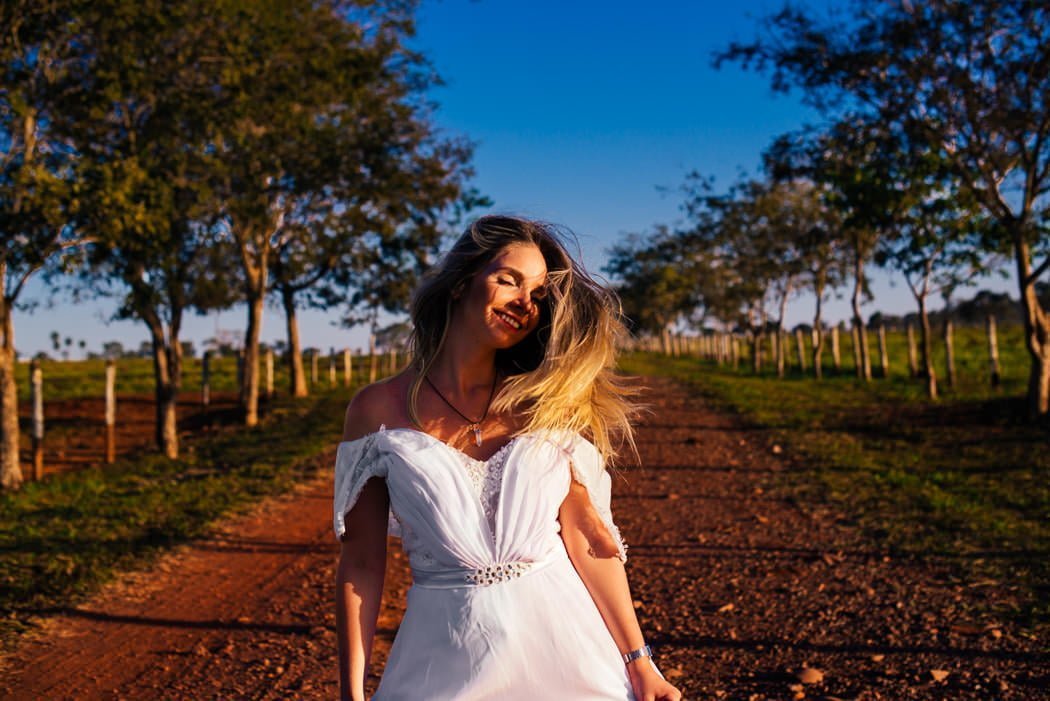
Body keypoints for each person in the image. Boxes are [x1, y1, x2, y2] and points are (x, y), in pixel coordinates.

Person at [334, 215, 683, 701]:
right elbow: (363, 563)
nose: (524, 303)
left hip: (569, 655)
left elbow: (587, 539)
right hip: (444, 659)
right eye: (508, 280)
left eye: (538, 294)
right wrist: (351, 693)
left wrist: (642, 664)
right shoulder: (375, 409)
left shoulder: (547, 403)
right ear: (460, 284)